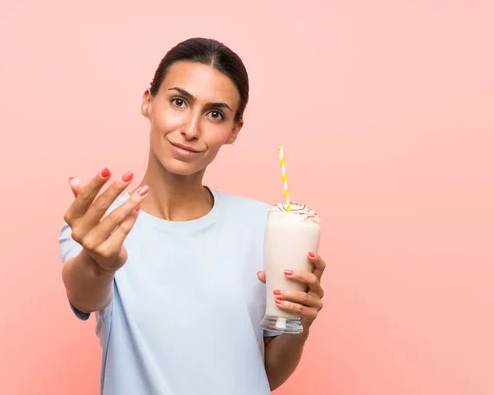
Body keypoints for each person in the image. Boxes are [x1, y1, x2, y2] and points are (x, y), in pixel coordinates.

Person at [58, 37, 326, 395]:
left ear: (234, 130)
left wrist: (300, 322)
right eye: (179, 102)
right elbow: (84, 296)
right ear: (148, 101)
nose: (191, 128)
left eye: (215, 114)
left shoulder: (266, 226)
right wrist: (99, 263)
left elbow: (263, 374)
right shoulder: (101, 225)